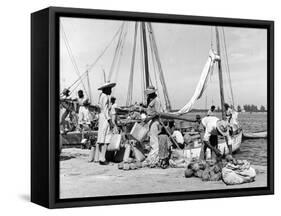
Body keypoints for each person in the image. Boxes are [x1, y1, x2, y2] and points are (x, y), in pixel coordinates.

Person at [95, 82, 116, 165]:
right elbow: (105, 110)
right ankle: (102, 158)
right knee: (105, 138)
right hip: (105, 118)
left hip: (102, 118)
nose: (111, 90)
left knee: (102, 138)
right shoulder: (105, 97)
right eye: (109, 89)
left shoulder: (102, 96)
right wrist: (110, 121)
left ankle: (101, 157)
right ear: (106, 89)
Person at [142, 86, 162, 167]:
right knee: (152, 139)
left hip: (155, 121)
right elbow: (149, 110)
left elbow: (157, 113)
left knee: (154, 140)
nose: (148, 96)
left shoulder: (156, 100)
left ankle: (155, 158)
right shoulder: (151, 100)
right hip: (151, 120)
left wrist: (148, 118)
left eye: (149, 94)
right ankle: (153, 157)